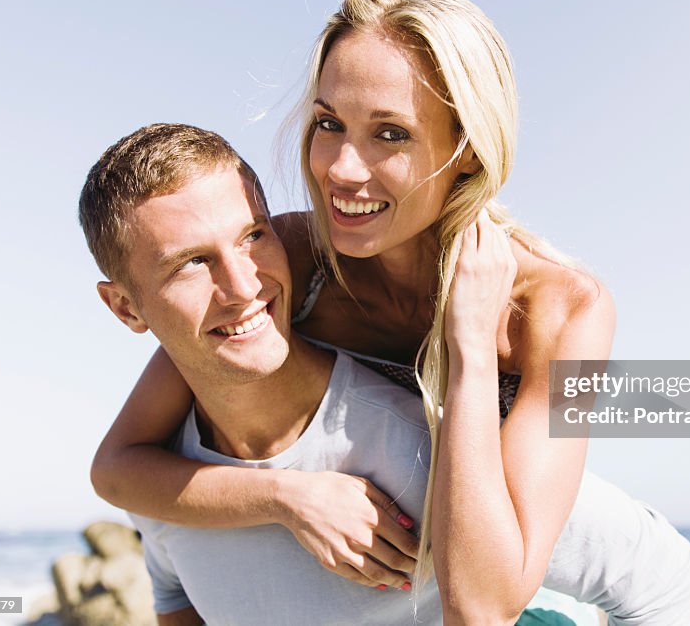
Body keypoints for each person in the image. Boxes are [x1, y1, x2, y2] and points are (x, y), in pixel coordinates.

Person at [91, 0, 690, 624]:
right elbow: (119, 468)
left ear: (465, 149)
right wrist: (291, 498)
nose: (340, 170)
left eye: (390, 134)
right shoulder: (291, 258)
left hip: (577, 578)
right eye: (330, 123)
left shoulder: (566, 310)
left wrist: (468, 349)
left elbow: (483, 608)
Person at [80, 123, 442, 624]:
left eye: (252, 236)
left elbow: (581, 571)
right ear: (124, 308)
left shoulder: (427, 445)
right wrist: (287, 495)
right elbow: (116, 478)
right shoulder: (163, 486)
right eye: (191, 263)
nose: (241, 284)